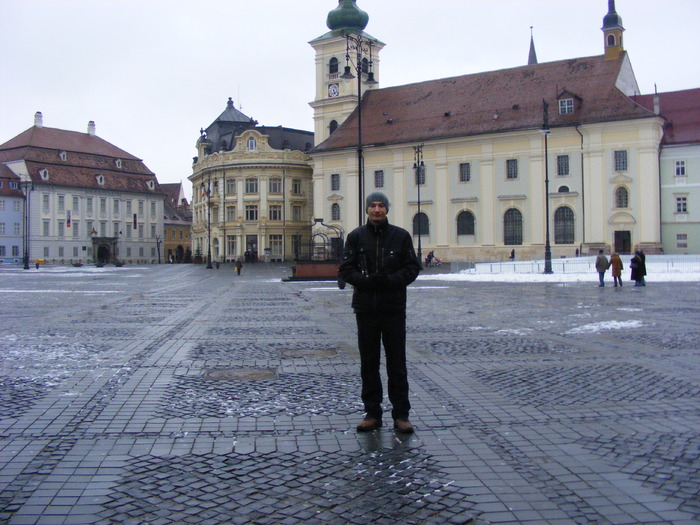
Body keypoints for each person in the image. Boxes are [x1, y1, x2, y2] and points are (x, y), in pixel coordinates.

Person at [339, 192, 421, 434]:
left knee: (397, 363)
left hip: (393, 307)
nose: (377, 210)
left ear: (387, 209)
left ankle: (401, 415)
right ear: (367, 209)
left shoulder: (401, 236)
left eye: (381, 206)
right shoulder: (355, 237)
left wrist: (390, 281)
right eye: (373, 206)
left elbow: (412, 268)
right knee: (369, 363)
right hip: (366, 308)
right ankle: (372, 412)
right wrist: (365, 281)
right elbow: (346, 268)